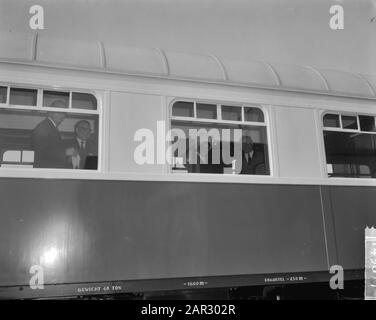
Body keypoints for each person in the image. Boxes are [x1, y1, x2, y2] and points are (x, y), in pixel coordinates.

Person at [31, 102, 67, 168]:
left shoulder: (50, 126)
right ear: (50, 113)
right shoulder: (43, 127)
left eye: (64, 113)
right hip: (45, 169)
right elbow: (41, 152)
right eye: (59, 112)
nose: (62, 116)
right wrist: (65, 152)